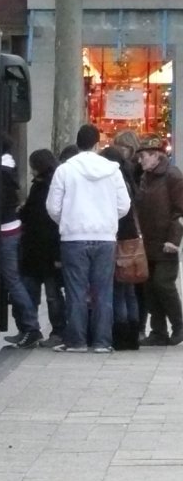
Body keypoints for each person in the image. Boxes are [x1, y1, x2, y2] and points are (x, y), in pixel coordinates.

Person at [46, 124, 130, 353]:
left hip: (73, 237)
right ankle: (103, 342)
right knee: (104, 291)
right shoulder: (113, 170)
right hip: (105, 237)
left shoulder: (64, 170)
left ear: (77, 142)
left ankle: (77, 341)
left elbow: (53, 207)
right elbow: (124, 205)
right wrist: (108, 219)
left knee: (76, 290)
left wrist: (67, 221)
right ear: (97, 143)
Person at [0, 135, 42, 348]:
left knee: (12, 280)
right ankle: (29, 326)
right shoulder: (8, 169)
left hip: (5, 231)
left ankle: (31, 326)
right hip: (12, 229)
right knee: (14, 279)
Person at [134, 133, 183, 346]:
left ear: (156, 156)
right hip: (148, 242)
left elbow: (179, 211)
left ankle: (179, 326)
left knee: (163, 283)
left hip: (165, 243)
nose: (140, 160)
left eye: (143, 156)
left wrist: (174, 240)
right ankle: (158, 331)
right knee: (150, 286)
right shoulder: (146, 177)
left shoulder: (173, 176)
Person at [18, 149, 66, 348]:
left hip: (44, 249)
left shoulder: (48, 186)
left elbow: (47, 219)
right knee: (47, 293)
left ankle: (53, 330)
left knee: (50, 294)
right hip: (38, 250)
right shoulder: (42, 185)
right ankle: (40, 330)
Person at [99, 145, 141, 350]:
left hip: (117, 237)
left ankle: (122, 334)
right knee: (129, 289)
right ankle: (134, 333)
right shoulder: (129, 179)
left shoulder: (114, 181)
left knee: (118, 290)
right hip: (131, 239)